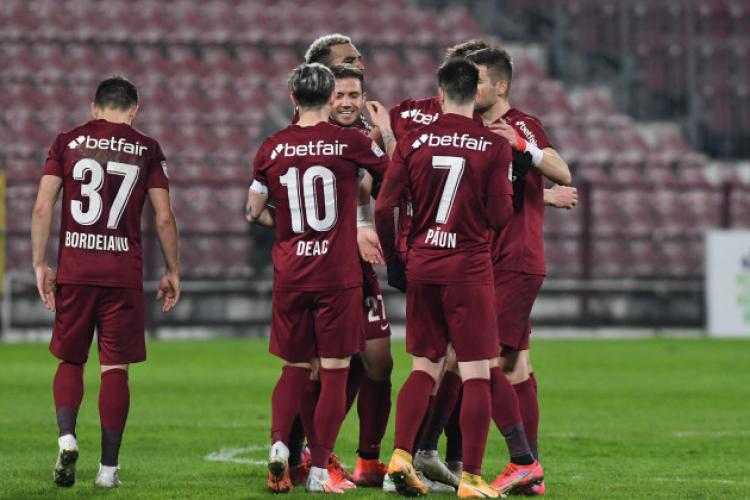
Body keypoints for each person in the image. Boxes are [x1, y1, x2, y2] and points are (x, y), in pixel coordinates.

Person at [31, 76, 180, 489]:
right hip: (122, 274)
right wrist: (173, 270)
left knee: (71, 360)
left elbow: (43, 206)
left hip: (76, 271)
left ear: (94, 107)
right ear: (135, 109)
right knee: (115, 367)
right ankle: (108, 472)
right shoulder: (147, 148)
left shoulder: (67, 142)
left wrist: (40, 263)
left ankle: (66, 437)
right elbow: (163, 217)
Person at [245, 62, 388, 494]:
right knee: (336, 370)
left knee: (294, 367)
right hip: (335, 273)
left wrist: (290, 226)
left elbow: (252, 211)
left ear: (292, 98)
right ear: (329, 98)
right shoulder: (350, 142)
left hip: (291, 272)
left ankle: (278, 445)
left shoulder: (271, 147)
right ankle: (321, 471)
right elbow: (392, 176)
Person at [375, 58, 513, 498]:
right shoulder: (493, 146)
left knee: (424, 366)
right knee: (476, 372)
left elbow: (384, 206)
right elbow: (501, 215)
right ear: (476, 94)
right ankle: (471, 477)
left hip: (423, 264)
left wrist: (395, 260)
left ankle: (400, 456)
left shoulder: (414, 141)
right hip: (468, 268)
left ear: (439, 95)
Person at [468, 46, 574, 495]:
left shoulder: (522, 124)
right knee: (514, 365)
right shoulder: (471, 128)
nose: (470, 88)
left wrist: (523, 147)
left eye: (477, 80)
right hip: (484, 259)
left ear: (501, 85)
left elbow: (561, 170)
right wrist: (541, 197)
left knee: (477, 359)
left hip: (514, 259)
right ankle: (530, 473)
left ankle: (522, 462)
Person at [328, 63, 393, 487]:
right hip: (322, 268)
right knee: (320, 367)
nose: (347, 102)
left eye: (354, 95)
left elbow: (398, 178)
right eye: (339, 95)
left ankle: (368, 460)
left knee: (379, 362)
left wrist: (385, 133)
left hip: (362, 268)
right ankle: (312, 455)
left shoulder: (368, 138)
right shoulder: (309, 136)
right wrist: (354, 228)